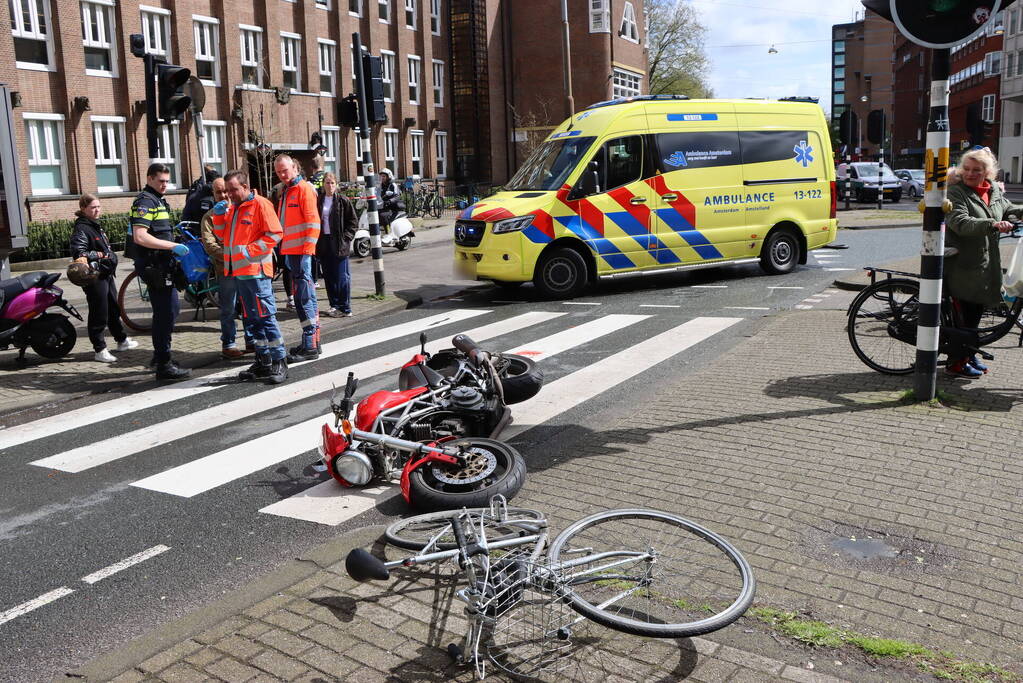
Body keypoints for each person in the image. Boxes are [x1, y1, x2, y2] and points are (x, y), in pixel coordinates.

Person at [945, 147, 1023, 377]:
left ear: (987, 172)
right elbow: (960, 222)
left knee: (975, 314)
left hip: (985, 266)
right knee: (964, 317)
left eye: (976, 170)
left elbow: (1008, 210)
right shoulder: (956, 192)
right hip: (962, 266)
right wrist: (992, 224)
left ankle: (969, 354)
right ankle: (955, 362)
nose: (970, 173)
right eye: (966, 169)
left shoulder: (993, 191)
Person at [213, 170, 289, 384]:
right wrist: (219, 215)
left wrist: (249, 251)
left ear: (245, 187)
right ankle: (263, 360)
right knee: (252, 320)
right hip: (240, 272)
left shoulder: (261, 205)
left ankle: (279, 361)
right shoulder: (234, 208)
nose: (229, 195)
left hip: (256, 272)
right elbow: (222, 235)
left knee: (266, 317)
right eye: (227, 191)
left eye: (233, 190)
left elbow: (275, 233)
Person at [126, 163, 191, 380]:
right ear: (150, 178)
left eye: (166, 181)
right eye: (161, 181)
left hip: (163, 265)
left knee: (168, 311)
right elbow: (140, 236)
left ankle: (161, 355)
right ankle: (163, 363)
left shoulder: (158, 200)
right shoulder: (145, 201)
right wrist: (172, 247)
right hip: (155, 267)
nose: (165, 185)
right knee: (167, 312)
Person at [69, 193, 138, 362]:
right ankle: (100, 350)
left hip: (105, 274)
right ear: (83, 209)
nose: (97, 210)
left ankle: (121, 340)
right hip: (94, 276)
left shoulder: (94, 225)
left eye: (98, 206)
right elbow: (79, 252)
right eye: (93, 207)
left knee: (113, 308)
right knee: (99, 312)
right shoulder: (82, 228)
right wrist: (100, 254)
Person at [274, 154, 321, 362]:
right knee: (304, 297)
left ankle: (310, 343)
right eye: (278, 172)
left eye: (285, 170)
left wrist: (308, 250)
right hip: (292, 252)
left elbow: (313, 221)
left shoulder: (302, 189)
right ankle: (312, 342)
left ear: (294, 167)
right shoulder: (286, 191)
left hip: (301, 252)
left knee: (304, 297)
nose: (282, 174)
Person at [200, 177, 254, 359]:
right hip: (226, 269)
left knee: (248, 304)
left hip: (245, 267)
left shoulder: (240, 211)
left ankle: (251, 340)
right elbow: (209, 244)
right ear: (214, 195)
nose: (223, 195)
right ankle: (229, 344)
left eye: (225, 191)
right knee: (228, 308)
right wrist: (230, 257)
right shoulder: (209, 217)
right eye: (218, 192)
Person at [316, 172, 358, 317]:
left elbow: (353, 222)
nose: (330, 185)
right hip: (324, 242)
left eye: (332, 183)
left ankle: (345, 307)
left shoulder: (343, 200)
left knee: (342, 276)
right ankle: (333, 305)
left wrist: (346, 238)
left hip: (339, 243)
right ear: (323, 185)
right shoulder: (319, 200)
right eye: (327, 183)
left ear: (336, 185)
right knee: (328, 275)